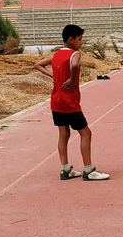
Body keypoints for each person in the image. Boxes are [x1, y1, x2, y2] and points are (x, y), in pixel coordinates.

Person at [34, 24, 110, 181]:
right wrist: (72, 78)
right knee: (86, 133)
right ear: (71, 40)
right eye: (80, 39)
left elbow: (38, 65)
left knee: (63, 134)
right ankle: (88, 170)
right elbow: (75, 64)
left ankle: (65, 169)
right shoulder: (75, 54)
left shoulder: (56, 55)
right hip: (70, 102)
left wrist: (52, 76)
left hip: (56, 101)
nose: (81, 43)